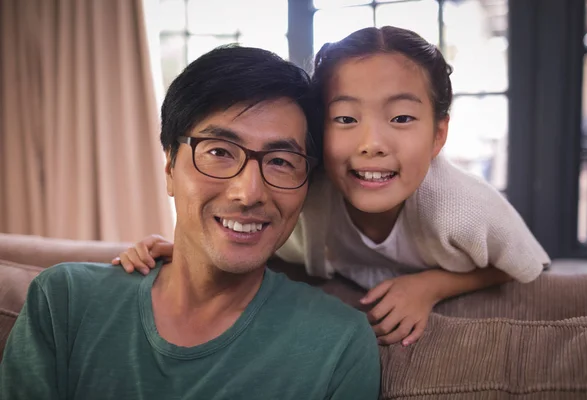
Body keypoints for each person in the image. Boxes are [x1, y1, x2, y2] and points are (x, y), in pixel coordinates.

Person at [114, 27, 550, 347]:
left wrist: (432, 286)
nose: (372, 144)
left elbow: (527, 265)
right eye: (345, 119)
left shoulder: (463, 207)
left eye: (401, 118)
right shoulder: (300, 190)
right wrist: (193, 251)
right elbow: (255, 234)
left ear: (439, 135)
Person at [0, 46, 381, 400]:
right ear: (169, 166)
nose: (248, 193)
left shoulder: (339, 343)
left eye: (281, 161)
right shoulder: (65, 300)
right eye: (218, 152)